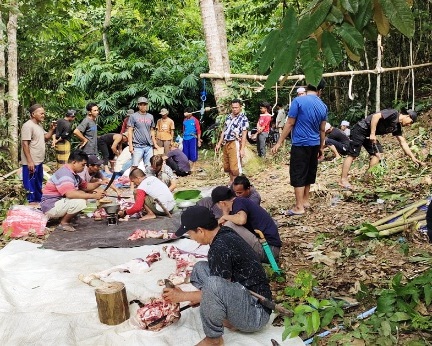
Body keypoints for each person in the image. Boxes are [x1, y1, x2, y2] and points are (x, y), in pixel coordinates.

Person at [163, 205, 272, 346]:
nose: (191, 238)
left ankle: (213, 339)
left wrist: (183, 296)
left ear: (200, 231)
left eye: (190, 233)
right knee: (200, 268)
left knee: (212, 284)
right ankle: (229, 318)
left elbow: (215, 289)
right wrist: (201, 297)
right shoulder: (224, 232)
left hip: (255, 313)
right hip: (246, 297)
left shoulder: (219, 247)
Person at [271, 80, 327, 216]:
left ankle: (299, 207)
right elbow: (322, 129)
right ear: (320, 91)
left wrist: (279, 142)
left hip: (301, 144)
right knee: (308, 172)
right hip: (314, 144)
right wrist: (321, 147)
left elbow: (290, 123)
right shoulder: (323, 106)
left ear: (307, 88)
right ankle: (305, 201)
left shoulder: (298, 101)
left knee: (298, 174)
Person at [339, 108, 426, 189]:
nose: (409, 125)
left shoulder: (396, 127)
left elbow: (403, 142)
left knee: (378, 154)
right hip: (361, 129)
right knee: (353, 155)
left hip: (369, 134)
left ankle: (368, 177)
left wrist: (413, 157)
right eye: (410, 122)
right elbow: (376, 116)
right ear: (408, 116)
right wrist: (373, 134)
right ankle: (343, 180)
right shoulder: (394, 113)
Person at [211, 186, 281, 262]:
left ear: (222, 203)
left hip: (269, 250)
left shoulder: (238, 202)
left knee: (229, 225)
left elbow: (241, 220)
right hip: (267, 247)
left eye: (218, 205)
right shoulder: (236, 205)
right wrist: (225, 213)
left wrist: (225, 216)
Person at [40, 150, 106, 232]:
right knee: (80, 200)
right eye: (83, 165)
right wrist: (94, 196)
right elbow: (70, 194)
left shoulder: (73, 174)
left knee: (82, 194)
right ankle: (64, 223)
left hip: (58, 203)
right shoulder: (65, 174)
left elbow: (86, 186)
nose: (84, 167)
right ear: (74, 162)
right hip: (51, 206)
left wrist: (99, 183)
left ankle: (64, 218)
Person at [21, 104, 56, 204]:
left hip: (38, 161)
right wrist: (29, 161)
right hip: (31, 161)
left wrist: (51, 129)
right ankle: (30, 205)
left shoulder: (38, 125)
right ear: (33, 114)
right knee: (30, 186)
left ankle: (38, 204)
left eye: (43, 113)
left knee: (37, 184)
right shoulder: (27, 126)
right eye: (41, 113)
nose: (43, 115)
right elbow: (25, 144)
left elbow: (46, 137)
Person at [215, 99, 250, 185]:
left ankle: (236, 184)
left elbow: (244, 134)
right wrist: (219, 143)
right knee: (227, 165)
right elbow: (224, 130)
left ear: (240, 107)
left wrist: (242, 149)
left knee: (235, 166)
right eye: (233, 107)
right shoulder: (228, 117)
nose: (234, 109)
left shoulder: (243, 118)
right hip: (226, 142)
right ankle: (231, 181)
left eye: (236, 107)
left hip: (235, 142)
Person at [128, 96, 160, 169]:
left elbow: (152, 130)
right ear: (138, 105)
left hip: (148, 146)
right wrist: (130, 146)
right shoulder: (133, 116)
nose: (143, 106)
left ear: (147, 105)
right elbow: (130, 131)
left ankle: (148, 179)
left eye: (144, 104)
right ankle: (132, 179)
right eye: (141, 104)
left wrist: (155, 144)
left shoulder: (150, 116)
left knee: (149, 166)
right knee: (134, 165)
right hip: (137, 146)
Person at [182, 107, 202, 172]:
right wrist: (183, 138)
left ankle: (194, 166)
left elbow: (198, 130)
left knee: (193, 152)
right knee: (185, 153)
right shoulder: (184, 120)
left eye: (187, 114)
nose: (186, 115)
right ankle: (187, 166)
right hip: (185, 138)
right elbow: (184, 129)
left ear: (190, 114)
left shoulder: (195, 120)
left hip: (192, 138)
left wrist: (199, 140)